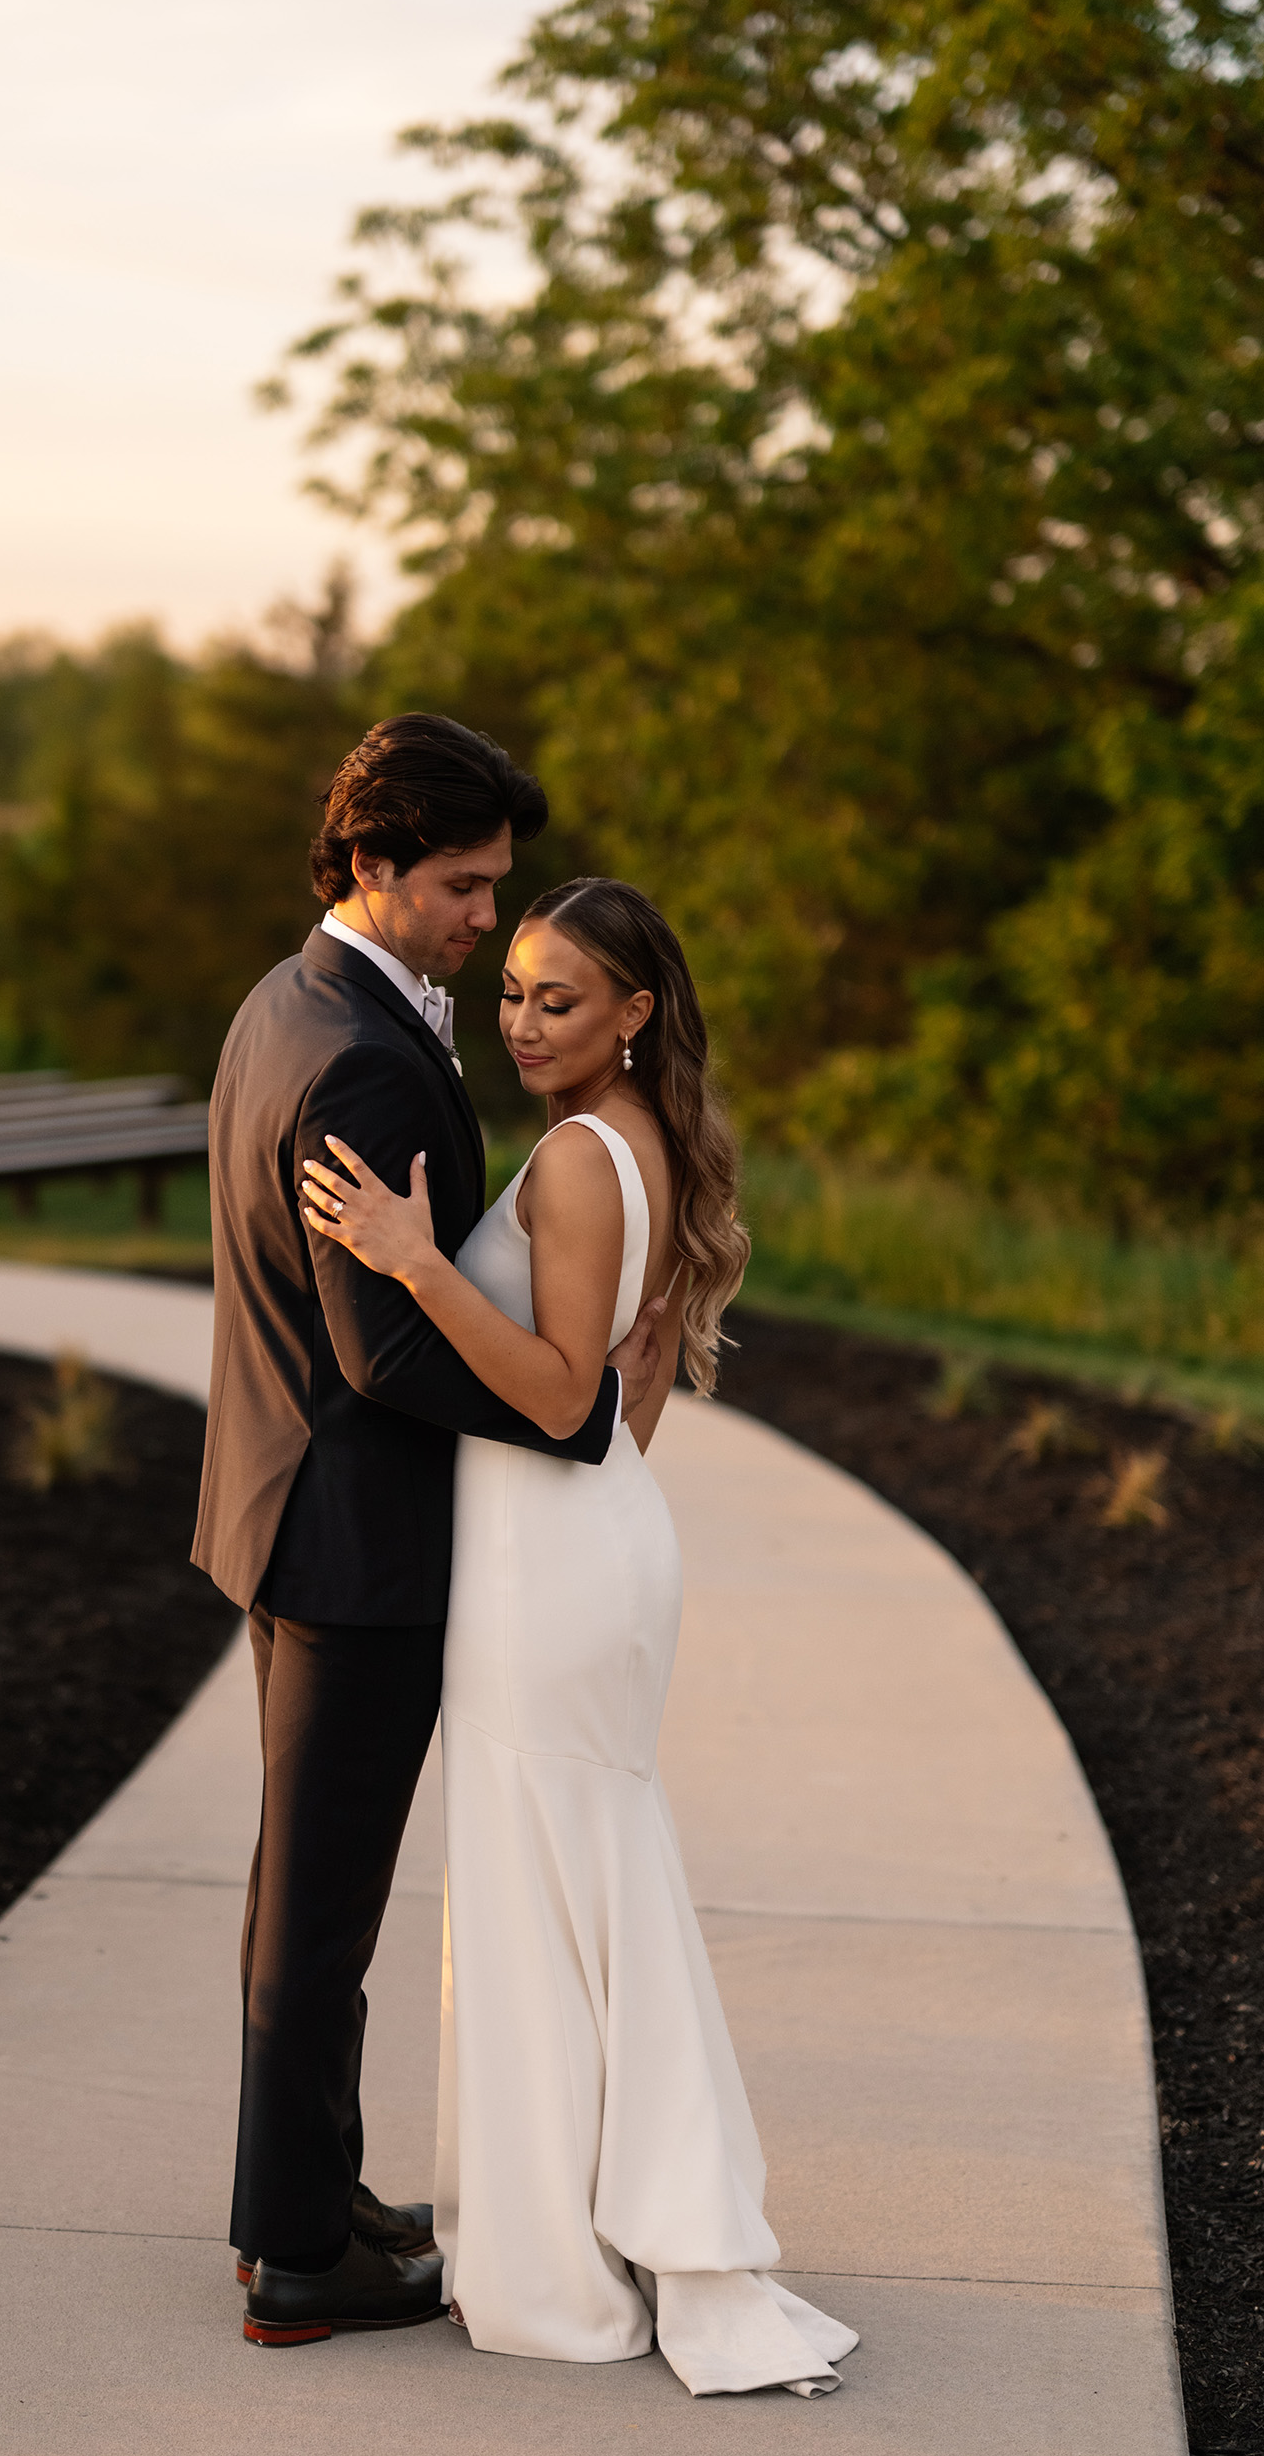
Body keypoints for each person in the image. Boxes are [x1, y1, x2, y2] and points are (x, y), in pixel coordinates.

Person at [301, 875, 860, 2398]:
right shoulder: (657, 1148)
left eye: (561, 998)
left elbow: (560, 1402)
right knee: (578, 1885)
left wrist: (414, 1261)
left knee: (542, 1898)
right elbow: (633, 1401)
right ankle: (609, 2226)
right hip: (597, 1550)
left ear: (636, 1012)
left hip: (552, 1570)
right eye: (515, 994)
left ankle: (564, 2264)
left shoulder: (571, 1163)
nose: (525, 1021)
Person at [192, 720, 665, 2349]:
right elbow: (378, 1351)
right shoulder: (365, 1057)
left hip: (286, 1511)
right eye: (463, 887)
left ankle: (308, 2197)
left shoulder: (290, 1000)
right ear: (374, 865)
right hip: (355, 1546)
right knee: (321, 1909)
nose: (487, 919)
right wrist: (563, 1408)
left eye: (496, 886)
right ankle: (301, 2259)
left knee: (303, 1893)